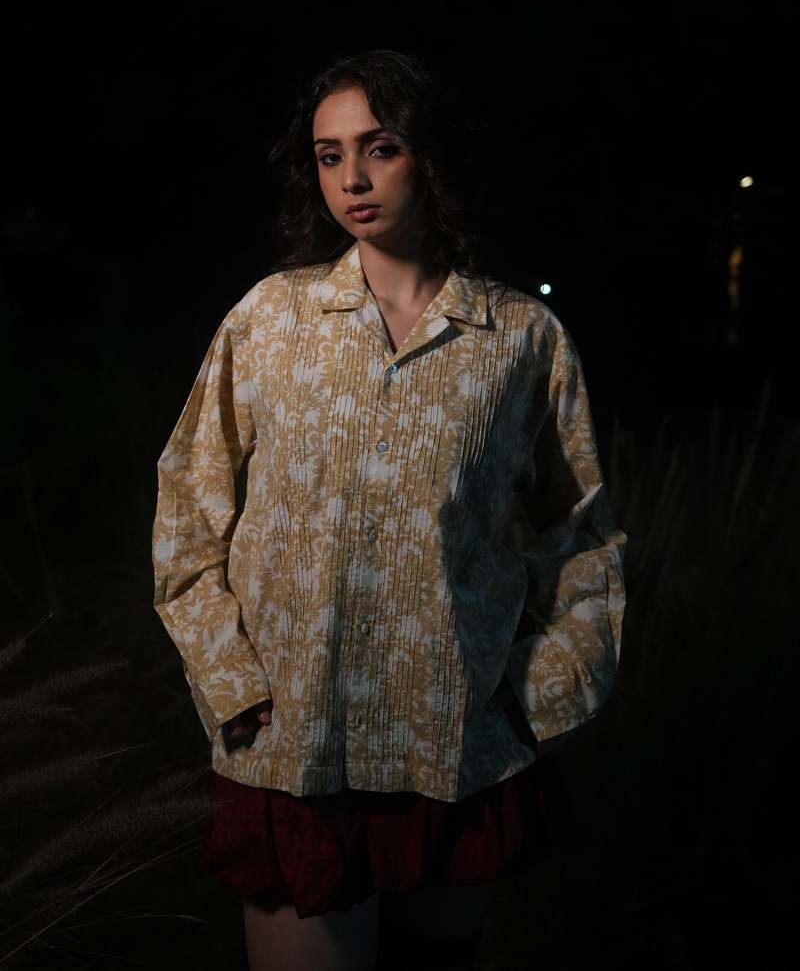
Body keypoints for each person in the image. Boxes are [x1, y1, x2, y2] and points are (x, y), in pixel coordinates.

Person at [151, 48, 627, 971]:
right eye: (329, 156)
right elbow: (187, 508)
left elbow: (582, 534)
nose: (353, 179)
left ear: (431, 155)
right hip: (296, 746)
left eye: (381, 148)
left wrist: (538, 693)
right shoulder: (270, 320)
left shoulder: (519, 337)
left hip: (455, 748)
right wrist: (231, 682)